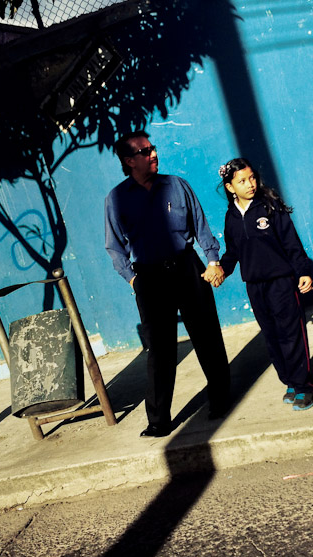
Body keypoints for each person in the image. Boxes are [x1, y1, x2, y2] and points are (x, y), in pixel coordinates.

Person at [104, 131, 230, 437]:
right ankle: (159, 421)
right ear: (129, 161)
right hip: (149, 277)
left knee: (207, 337)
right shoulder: (117, 198)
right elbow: (114, 245)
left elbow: (200, 225)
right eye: (145, 151)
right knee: (159, 352)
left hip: (187, 267)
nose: (153, 154)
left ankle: (222, 400)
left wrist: (213, 260)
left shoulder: (177, 185)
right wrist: (133, 279)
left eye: (153, 148)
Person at [210, 158, 313, 410]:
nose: (250, 184)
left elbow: (292, 243)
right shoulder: (231, 217)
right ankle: (290, 381)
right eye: (242, 181)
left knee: (291, 335)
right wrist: (221, 271)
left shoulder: (270, 207)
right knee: (272, 336)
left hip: (281, 283)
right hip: (255, 287)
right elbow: (232, 252)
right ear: (229, 187)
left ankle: (305, 386)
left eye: (252, 178)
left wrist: (303, 271)